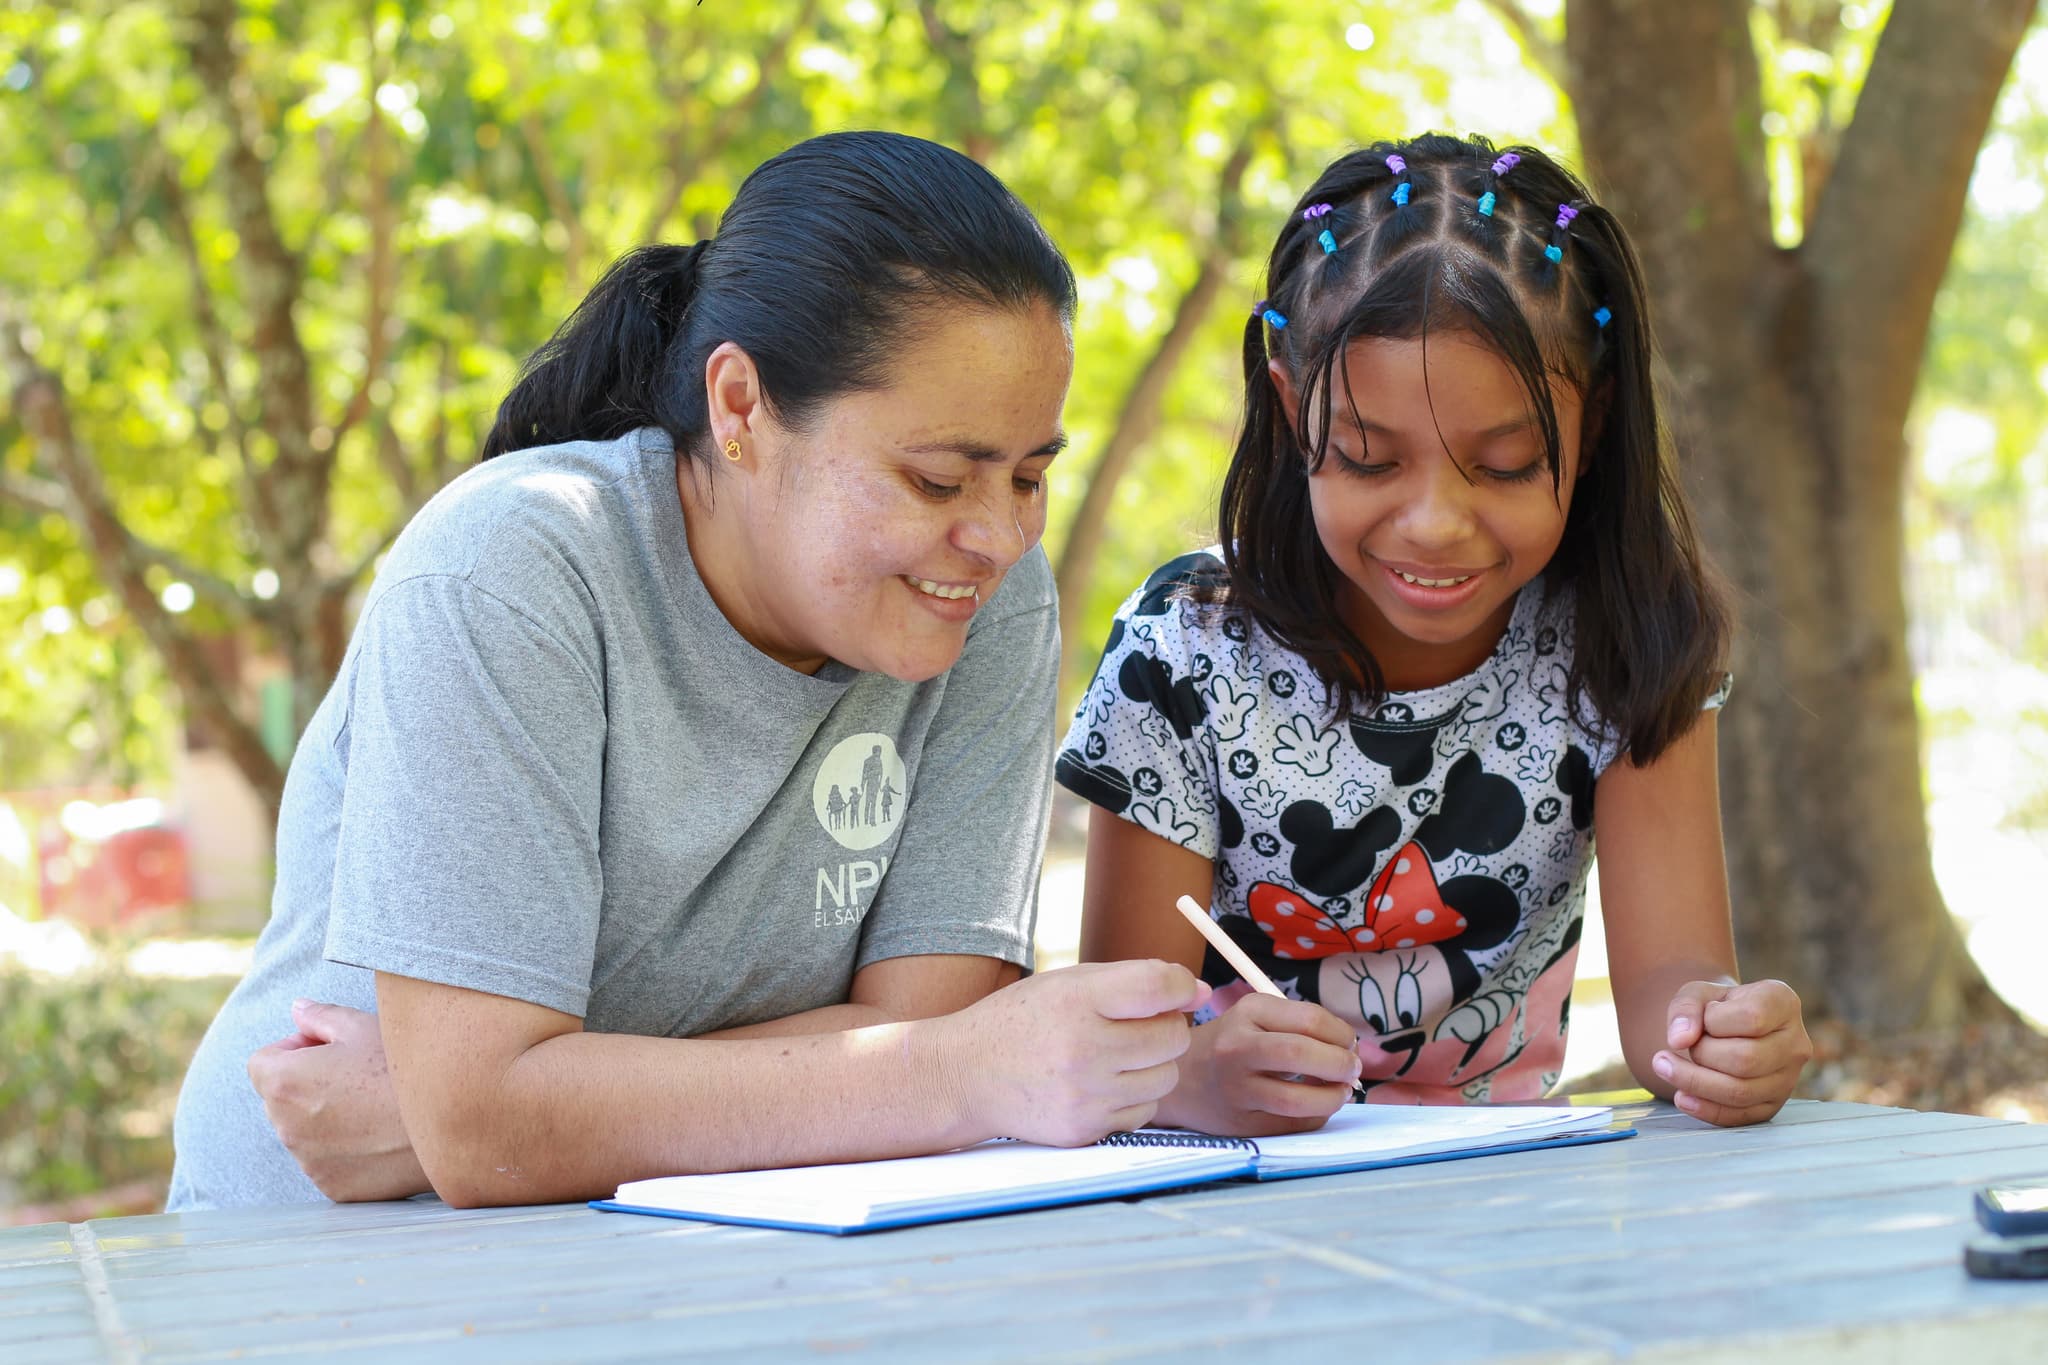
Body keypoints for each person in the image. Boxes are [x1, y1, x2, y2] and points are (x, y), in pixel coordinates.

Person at [169, 131, 1206, 1212]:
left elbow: (934, 1018)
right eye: (936, 478)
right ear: (741, 408)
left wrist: (491, 1108)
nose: (994, 534)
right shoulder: (514, 569)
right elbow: (490, 1134)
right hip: (320, 1258)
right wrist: (950, 1075)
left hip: (665, 1243)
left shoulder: (984, 599)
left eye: (1030, 476)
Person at [1057, 134, 1811, 1139]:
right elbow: (1111, 1041)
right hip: (1225, 1201)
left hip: (1496, 1200)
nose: (1433, 524)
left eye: (1501, 467)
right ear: (1289, 413)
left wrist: (1717, 1038)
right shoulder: (1180, 657)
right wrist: (1192, 1076)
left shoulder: (1622, 644)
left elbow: (1668, 1000)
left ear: (1591, 430)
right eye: (1369, 460)